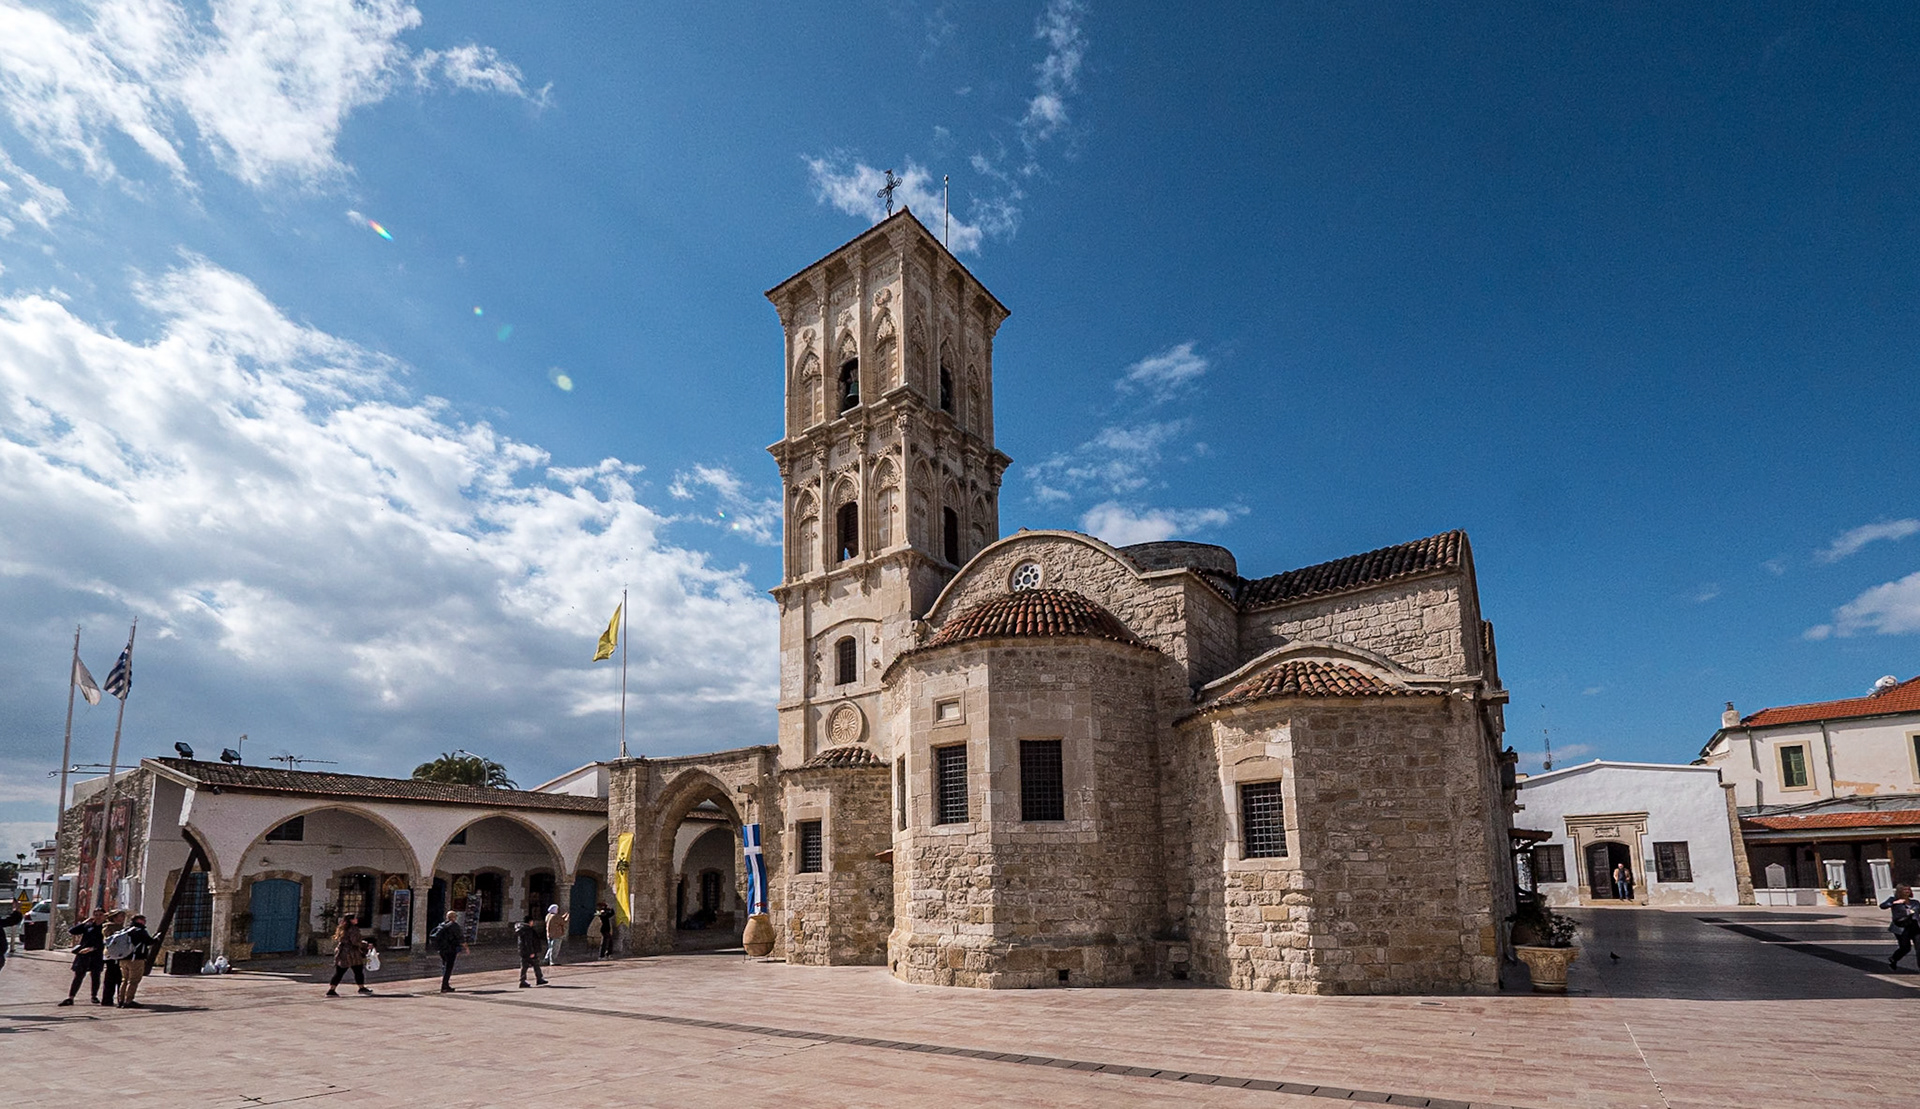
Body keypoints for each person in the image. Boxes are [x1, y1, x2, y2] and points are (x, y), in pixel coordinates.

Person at [58, 908, 107, 1006]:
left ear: (104, 916)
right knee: (78, 976)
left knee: (95, 976)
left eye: (100, 914)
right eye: (96, 914)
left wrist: (93, 948)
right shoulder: (88, 926)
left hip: (96, 954)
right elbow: (72, 931)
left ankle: (94, 996)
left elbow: (105, 942)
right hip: (83, 954)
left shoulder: (105, 928)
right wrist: (85, 922)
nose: (98, 917)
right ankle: (71, 997)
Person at [323, 916, 372, 997]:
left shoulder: (343, 928)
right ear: (351, 920)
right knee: (358, 970)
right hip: (352, 953)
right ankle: (361, 987)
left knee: (340, 972)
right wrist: (366, 945)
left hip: (342, 952)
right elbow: (355, 942)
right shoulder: (353, 929)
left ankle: (332, 989)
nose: (357, 920)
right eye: (355, 918)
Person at [115, 914, 155, 1008]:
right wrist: (156, 939)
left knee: (124, 980)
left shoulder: (125, 930)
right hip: (136, 959)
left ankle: (121, 1000)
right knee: (133, 981)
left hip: (123, 958)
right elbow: (149, 941)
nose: (145, 921)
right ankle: (128, 1001)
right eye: (143, 920)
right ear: (139, 920)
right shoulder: (140, 931)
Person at [1882, 885, 1919, 972]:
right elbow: (1883, 906)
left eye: (1909, 889)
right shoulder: (1893, 900)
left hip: (1915, 927)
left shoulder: (1915, 902)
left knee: (1919, 948)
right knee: (1905, 948)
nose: (1907, 891)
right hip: (1901, 927)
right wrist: (1894, 903)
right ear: (1899, 891)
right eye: (1905, 889)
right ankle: (1894, 959)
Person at [428, 910, 467, 993]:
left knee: (445, 966)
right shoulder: (454, 926)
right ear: (453, 918)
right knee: (448, 967)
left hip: (442, 949)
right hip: (450, 949)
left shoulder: (442, 925)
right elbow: (460, 938)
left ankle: (445, 984)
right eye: (455, 916)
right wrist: (466, 948)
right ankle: (444, 986)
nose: (456, 918)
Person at [98, 909, 128, 1005]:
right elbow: (110, 940)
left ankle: (120, 998)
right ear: (114, 917)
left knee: (120, 977)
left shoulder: (122, 928)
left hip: (120, 955)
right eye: (120, 916)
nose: (122, 919)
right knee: (112, 978)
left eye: (123, 916)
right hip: (112, 955)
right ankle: (108, 999)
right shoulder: (108, 928)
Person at [514, 911, 548, 987]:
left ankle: (526, 980)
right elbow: (528, 942)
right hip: (528, 951)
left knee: (526, 966)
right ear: (530, 922)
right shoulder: (527, 930)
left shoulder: (522, 929)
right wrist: (531, 952)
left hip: (523, 951)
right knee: (533, 965)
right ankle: (537, 979)